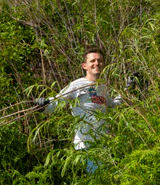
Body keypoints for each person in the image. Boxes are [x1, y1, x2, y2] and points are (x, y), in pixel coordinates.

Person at [35, 46, 122, 174]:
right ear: (84, 66)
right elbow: (57, 101)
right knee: (98, 182)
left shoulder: (102, 86)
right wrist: (42, 106)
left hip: (103, 142)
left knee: (106, 182)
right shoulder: (77, 85)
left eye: (100, 60)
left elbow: (112, 104)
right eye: (92, 61)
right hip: (87, 143)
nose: (97, 63)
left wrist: (127, 91)